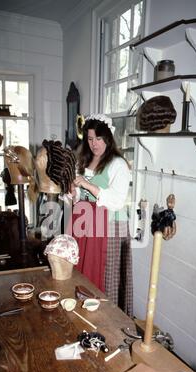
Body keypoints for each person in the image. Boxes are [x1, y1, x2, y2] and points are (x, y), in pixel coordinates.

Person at [67, 113, 133, 317]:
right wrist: (73, 192)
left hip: (110, 227)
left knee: (107, 277)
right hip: (87, 222)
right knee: (83, 271)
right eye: (90, 138)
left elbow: (117, 200)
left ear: (108, 138)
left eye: (98, 138)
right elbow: (80, 195)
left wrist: (87, 184)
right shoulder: (86, 160)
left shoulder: (118, 164)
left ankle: (108, 320)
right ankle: (85, 314)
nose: (94, 143)